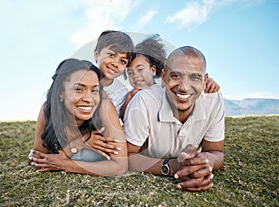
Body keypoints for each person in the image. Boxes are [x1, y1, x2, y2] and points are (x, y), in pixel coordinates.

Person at [123, 46, 225, 191]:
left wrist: (206, 162)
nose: (184, 87)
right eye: (175, 76)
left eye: (195, 77)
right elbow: (126, 156)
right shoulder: (144, 101)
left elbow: (217, 152)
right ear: (163, 77)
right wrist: (171, 167)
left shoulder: (213, 99)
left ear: (205, 80)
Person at [28, 58, 128, 176]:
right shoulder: (49, 109)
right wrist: (81, 142)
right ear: (61, 92)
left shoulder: (104, 108)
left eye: (94, 90)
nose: (88, 99)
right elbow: (38, 160)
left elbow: (120, 167)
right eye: (79, 89)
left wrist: (65, 165)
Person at [121, 35, 220, 120]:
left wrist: (208, 81)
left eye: (140, 69)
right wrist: (129, 98)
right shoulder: (132, 94)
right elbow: (125, 119)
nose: (135, 75)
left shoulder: (164, 85)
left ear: (153, 70)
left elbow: (187, 75)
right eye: (130, 72)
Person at [94, 30, 134, 116]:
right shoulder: (83, 76)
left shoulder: (122, 92)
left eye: (122, 61)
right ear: (97, 54)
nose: (115, 64)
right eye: (111, 55)